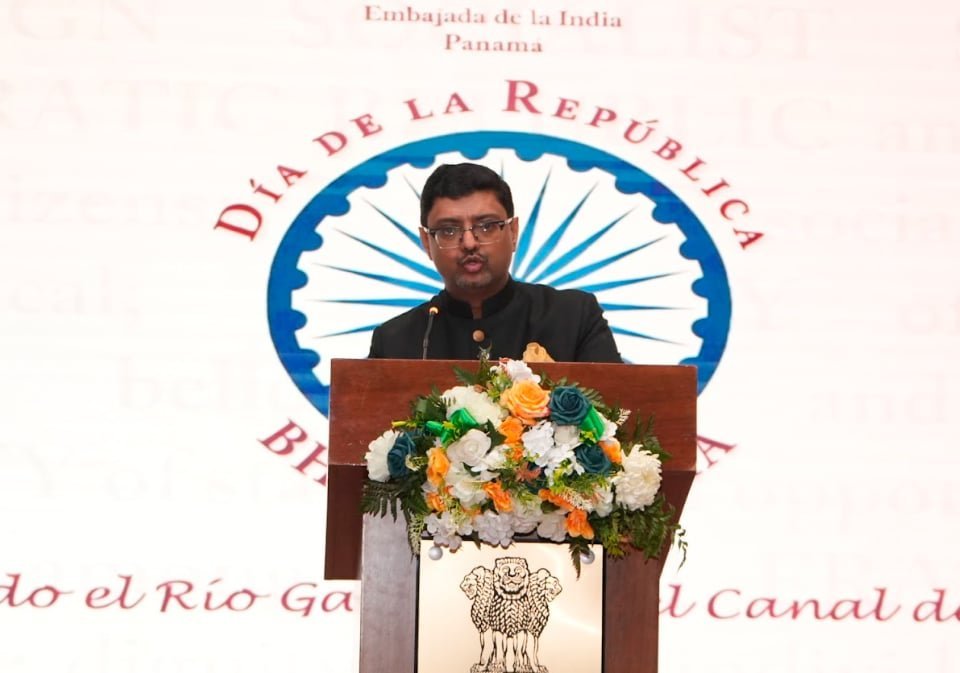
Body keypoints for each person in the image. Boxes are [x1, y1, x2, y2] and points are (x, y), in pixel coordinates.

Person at [368, 162, 622, 362]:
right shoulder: (394, 341)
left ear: (513, 232)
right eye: (448, 230)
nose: (469, 243)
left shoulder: (572, 317)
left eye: (487, 226)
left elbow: (619, 417)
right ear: (426, 242)